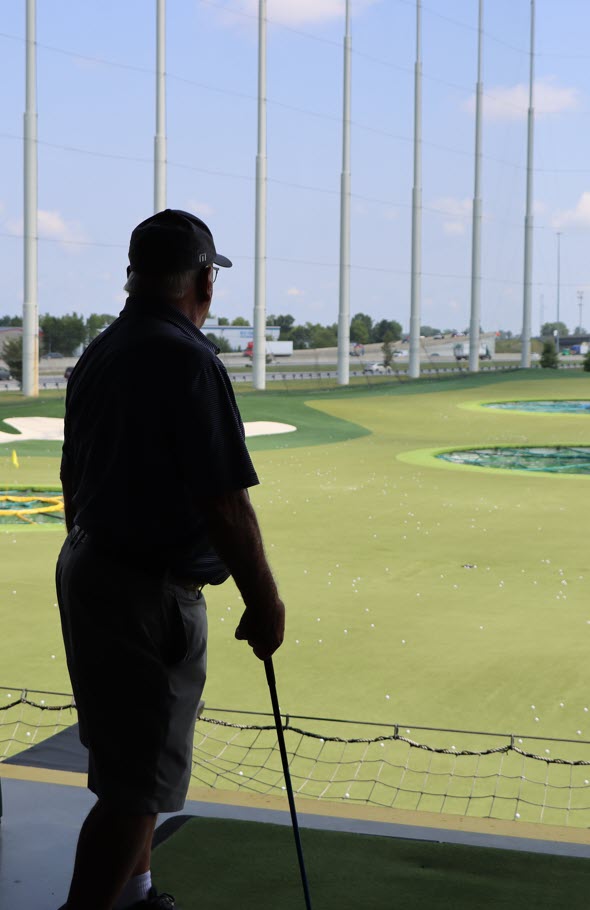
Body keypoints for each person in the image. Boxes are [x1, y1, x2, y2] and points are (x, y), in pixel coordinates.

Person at [56, 209, 285, 910]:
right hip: (145, 589)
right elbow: (225, 502)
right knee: (136, 786)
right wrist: (265, 601)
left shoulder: (104, 348)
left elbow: (72, 475)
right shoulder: (188, 358)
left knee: (132, 763)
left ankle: (137, 894)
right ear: (204, 282)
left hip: (92, 565)